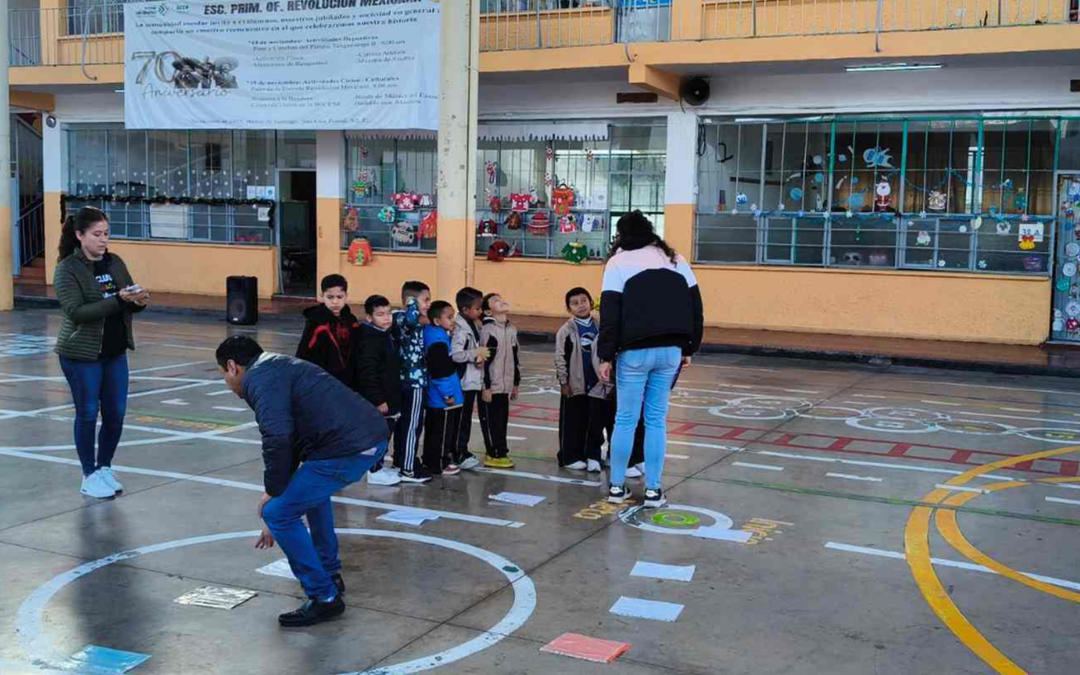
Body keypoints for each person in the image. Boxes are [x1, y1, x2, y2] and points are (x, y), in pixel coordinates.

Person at [216, 336, 390, 627]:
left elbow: (278, 437)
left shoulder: (260, 381)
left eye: (222, 373)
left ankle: (324, 597)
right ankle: (328, 571)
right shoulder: (277, 366)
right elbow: (293, 437)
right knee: (310, 497)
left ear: (232, 366)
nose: (226, 380)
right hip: (362, 437)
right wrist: (279, 490)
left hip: (349, 446)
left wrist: (274, 495)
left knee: (277, 513)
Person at [598, 211, 703, 508]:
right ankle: (655, 490)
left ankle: (617, 487)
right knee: (656, 420)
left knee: (626, 419)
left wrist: (605, 355)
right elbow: (695, 306)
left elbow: (610, 313)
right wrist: (689, 348)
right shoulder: (675, 259)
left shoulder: (617, 262)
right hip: (671, 349)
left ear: (621, 235)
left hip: (634, 350)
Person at [54, 206, 150, 500]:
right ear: (80, 235)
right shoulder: (67, 269)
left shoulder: (115, 263)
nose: (103, 240)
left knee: (116, 414)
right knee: (87, 413)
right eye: (96, 234)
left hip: (115, 351)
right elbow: (77, 312)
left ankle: (104, 466)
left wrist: (137, 300)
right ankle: (88, 474)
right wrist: (119, 300)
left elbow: (126, 301)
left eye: (106, 234)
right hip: (81, 354)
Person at [355, 294, 404, 487]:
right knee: (379, 435)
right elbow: (368, 373)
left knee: (386, 434)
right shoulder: (370, 340)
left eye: (388, 313)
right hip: (380, 400)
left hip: (390, 396)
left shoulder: (386, 335)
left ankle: (379, 465)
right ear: (369, 317)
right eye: (380, 314)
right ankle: (374, 470)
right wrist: (378, 400)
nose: (386, 318)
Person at [555, 287, 603, 473]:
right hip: (575, 384)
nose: (580, 305)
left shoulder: (599, 326)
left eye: (583, 301)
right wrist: (564, 382)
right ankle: (569, 456)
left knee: (592, 422)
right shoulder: (566, 330)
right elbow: (560, 357)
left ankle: (589, 454)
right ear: (569, 309)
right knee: (572, 422)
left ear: (591, 302)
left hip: (597, 384)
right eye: (575, 303)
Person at [392, 281, 432, 483]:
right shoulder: (403, 317)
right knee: (411, 425)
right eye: (425, 300)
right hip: (413, 381)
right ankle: (408, 468)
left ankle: (402, 461)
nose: (428, 305)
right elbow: (411, 320)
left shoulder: (405, 318)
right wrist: (412, 305)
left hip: (409, 380)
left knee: (407, 424)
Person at [296, 274, 361, 389]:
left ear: (346, 296)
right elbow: (303, 355)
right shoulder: (316, 322)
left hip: (349, 384)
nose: (335, 302)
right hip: (322, 384)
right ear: (322, 296)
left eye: (339, 297)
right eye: (330, 297)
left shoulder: (352, 321)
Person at [422, 301, 465, 476]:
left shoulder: (433, 333)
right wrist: (448, 394)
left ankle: (430, 460)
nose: (453, 320)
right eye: (449, 317)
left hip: (435, 396)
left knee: (433, 431)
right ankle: (440, 463)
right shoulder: (438, 341)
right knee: (442, 432)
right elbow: (441, 370)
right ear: (437, 320)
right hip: (441, 398)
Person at [479, 292, 520, 468]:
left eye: (501, 298)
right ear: (488, 312)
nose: (501, 301)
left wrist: (515, 383)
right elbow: (483, 361)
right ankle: (493, 453)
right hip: (491, 386)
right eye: (495, 301)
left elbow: (516, 357)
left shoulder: (511, 329)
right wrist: (485, 386)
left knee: (502, 420)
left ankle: (501, 451)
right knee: (491, 421)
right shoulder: (488, 330)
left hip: (505, 385)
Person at [450, 287, 489, 471]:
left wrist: (478, 357)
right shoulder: (459, 329)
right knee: (460, 420)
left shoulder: (473, 324)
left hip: (472, 380)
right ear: (465, 310)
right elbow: (456, 355)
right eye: (478, 308)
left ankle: (462, 449)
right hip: (463, 382)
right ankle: (458, 453)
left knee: (465, 419)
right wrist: (475, 354)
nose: (480, 311)